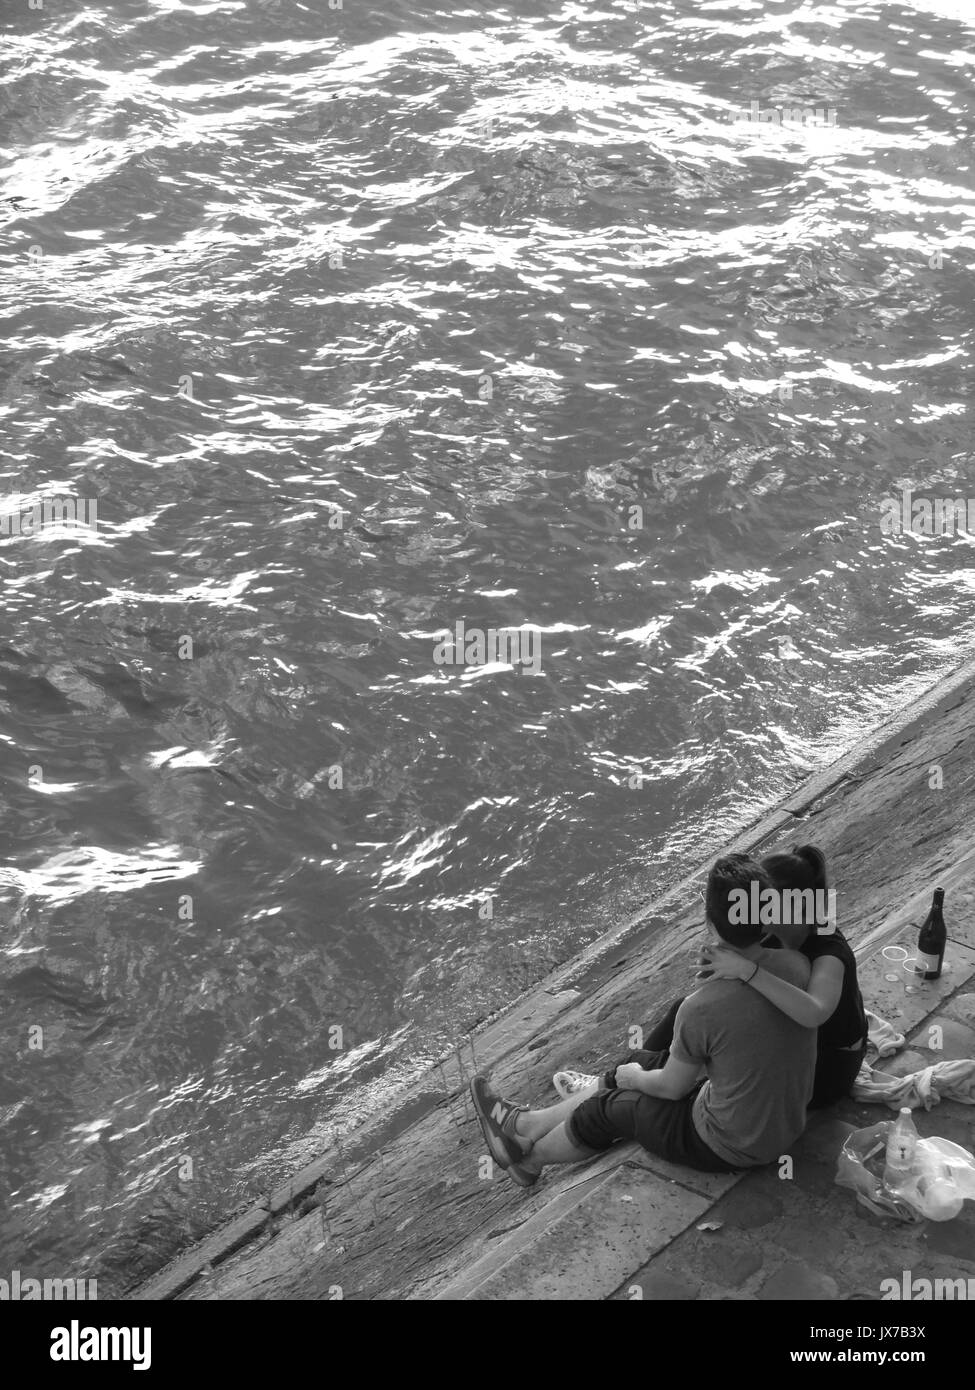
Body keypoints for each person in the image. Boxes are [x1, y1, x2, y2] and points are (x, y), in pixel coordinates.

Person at [470, 853, 817, 1187]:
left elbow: (673, 1088)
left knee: (608, 1107)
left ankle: (527, 1162)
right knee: (639, 1063)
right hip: (784, 1126)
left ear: (709, 922)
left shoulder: (700, 1009)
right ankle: (525, 1127)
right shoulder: (797, 967)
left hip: (727, 1144)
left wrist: (634, 1080)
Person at [701, 844, 867, 1108]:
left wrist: (746, 970)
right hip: (796, 1043)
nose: (750, 910)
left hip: (828, 1068)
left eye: (763, 901)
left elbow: (815, 1012)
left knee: (716, 1066)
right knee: (690, 1016)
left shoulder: (828, 949)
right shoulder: (767, 933)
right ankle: (641, 1069)